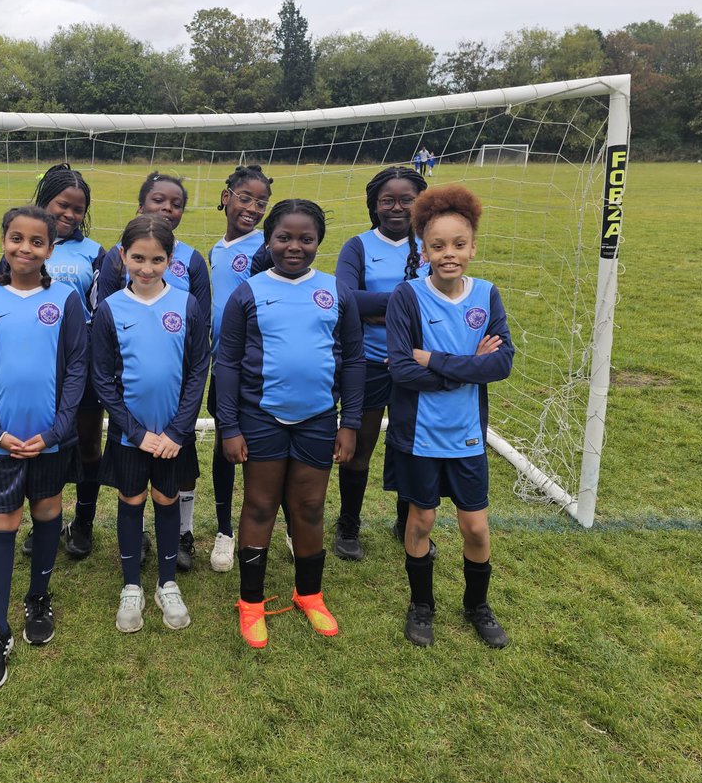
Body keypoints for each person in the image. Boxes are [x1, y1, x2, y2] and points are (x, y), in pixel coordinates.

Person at [216, 199, 364, 649]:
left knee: (310, 507)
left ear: (319, 242)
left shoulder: (336, 291)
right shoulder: (249, 293)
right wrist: (229, 426)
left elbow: (354, 359)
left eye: (306, 239)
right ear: (268, 240)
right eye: (284, 237)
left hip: (318, 417)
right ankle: (251, 603)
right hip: (261, 417)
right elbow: (226, 363)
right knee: (260, 505)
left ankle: (310, 594)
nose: (294, 246)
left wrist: (350, 422)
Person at [384, 184, 514, 649]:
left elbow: (501, 364)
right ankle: (422, 605)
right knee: (420, 522)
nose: (449, 254)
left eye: (459, 244)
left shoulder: (487, 295)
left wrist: (434, 360)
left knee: (475, 527)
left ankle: (477, 604)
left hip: (467, 437)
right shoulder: (406, 297)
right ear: (423, 250)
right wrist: (467, 366)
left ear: (473, 246)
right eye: (437, 246)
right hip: (419, 435)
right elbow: (399, 367)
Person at [0, 205, 88, 690]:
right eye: (17, 238)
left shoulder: (66, 300)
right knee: (1, 521)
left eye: (37, 242)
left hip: (50, 439)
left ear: (50, 250)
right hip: (2, 440)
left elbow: (77, 367)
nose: (25, 248)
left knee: (47, 510)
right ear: (4, 239)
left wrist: (57, 430)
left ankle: (38, 596)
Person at [93, 216, 209, 632]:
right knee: (130, 501)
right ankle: (131, 587)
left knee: (166, 500)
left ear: (170, 259)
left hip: (173, 437)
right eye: (137, 258)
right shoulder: (110, 309)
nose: (146, 268)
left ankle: (166, 583)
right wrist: (137, 432)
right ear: (123, 256)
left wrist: (178, 431)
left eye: (156, 259)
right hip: (131, 436)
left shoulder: (186, 304)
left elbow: (198, 369)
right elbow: (103, 378)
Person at [333, 167, 429, 560]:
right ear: (374, 204)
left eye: (406, 199)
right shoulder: (357, 247)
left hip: (416, 365)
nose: (396, 207)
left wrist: (378, 308)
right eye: (387, 199)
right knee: (359, 445)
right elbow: (345, 299)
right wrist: (404, 306)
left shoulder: (430, 244)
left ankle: (406, 521)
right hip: (368, 363)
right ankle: (348, 525)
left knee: (412, 446)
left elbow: (442, 299)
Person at [26, 164, 106, 561]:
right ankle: (45, 521)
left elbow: (101, 312)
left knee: (89, 443)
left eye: (78, 209)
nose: (70, 215)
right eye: (63, 205)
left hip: (84, 367)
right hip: (36, 368)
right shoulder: (27, 243)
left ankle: (85, 522)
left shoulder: (94, 253)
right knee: (42, 443)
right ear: (45, 201)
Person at [205, 164, 273, 572]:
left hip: (257, 367)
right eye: (245, 197)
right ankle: (225, 530)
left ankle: (265, 523)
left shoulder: (267, 248)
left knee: (263, 448)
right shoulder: (217, 248)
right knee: (223, 443)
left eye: (261, 202)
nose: (252, 207)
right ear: (227, 195)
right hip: (222, 363)